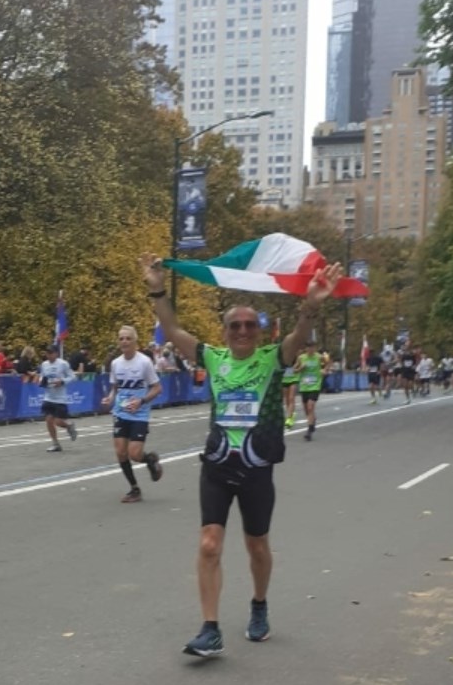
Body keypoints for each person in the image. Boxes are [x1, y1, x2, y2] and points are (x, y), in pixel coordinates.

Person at [139, 251, 342, 657]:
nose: (244, 331)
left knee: (257, 546)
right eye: (236, 325)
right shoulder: (213, 358)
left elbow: (298, 337)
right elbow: (173, 328)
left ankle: (259, 605)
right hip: (217, 466)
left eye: (250, 325)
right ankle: (209, 628)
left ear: (259, 331)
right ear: (226, 330)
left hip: (256, 471)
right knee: (210, 544)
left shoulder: (273, 358)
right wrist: (158, 289)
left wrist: (312, 305)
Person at [101, 325, 163, 503]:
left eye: (128, 338)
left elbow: (158, 388)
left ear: (135, 341)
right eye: (121, 338)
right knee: (121, 452)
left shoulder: (144, 362)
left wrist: (141, 401)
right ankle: (134, 489)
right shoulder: (116, 363)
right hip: (121, 412)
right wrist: (110, 398)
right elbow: (115, 388)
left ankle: (150, 460)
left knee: (134, 454)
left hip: (139, 414)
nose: (124, 342)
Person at [38, 345, 77, 452]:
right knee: (49, 420)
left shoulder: (63, 364)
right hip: (48, 397)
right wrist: (42, 381)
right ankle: (55, 444)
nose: (49, 355)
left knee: (58, 421)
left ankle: (69, 425)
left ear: (56, 353)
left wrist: (62, 381)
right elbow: (41, 376)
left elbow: (73, 376)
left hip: (60, 398)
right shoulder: (44, 364)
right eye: (47, 353)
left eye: (51, 353)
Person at [295, 340, 327, 441]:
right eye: (309, 348)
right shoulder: (301, 358)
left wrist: (324, 370)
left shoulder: (319, 357)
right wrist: (300, 368)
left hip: (315, 385)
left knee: (310, 406)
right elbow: (294, 370)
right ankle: (312, 421)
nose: (311, 350)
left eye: (312, 348)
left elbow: (327, 363)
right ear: (306, 348)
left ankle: (309, 431)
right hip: (304, 386)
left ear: (315, 348)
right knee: (306, 409)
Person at [281, 359, 300, 428]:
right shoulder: (282, 356)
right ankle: (291, 414)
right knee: (287, 399)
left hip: (294, 379)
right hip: (285, 379)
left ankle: (289, 418)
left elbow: (298, 369)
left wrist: (294, 369)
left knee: (291, 398)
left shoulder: (298, 356)